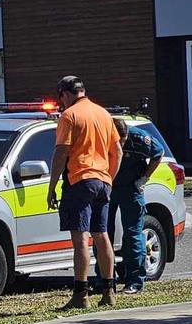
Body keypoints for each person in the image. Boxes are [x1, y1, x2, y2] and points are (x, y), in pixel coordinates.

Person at [47, 76, 122, 309]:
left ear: (65, 94)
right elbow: (117, 151)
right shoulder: (103, 113)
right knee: (101, 235)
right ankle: (109, 292)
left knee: (80, 239)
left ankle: (81, 294)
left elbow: (61, 153)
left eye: (61, 98)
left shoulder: (69, 116)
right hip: (102, 180)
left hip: (79, 180)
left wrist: (52, 187)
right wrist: (108, 177)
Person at [110, 118, 163, 295]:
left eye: (123, 140)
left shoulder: (140, 138)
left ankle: (134, 281)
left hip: (131, 187)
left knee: (132, 234)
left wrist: (144, 178)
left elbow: (158, 153)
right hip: (107, 187)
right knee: (102, 234)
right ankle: (105, 279)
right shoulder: (101, 137)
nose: (121, 144)